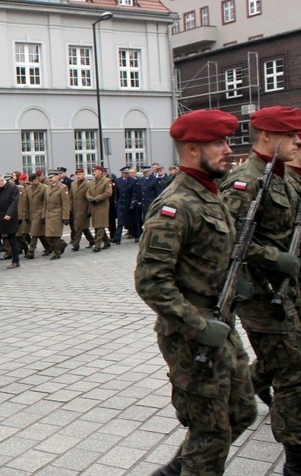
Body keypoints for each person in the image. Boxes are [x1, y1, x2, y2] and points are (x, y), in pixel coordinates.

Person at [136, 109, 257, 476]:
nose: (228, 149)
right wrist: (198, 324)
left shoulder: (210, 194)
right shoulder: (176, 205)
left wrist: (239, 285)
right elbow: (151, 280)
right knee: (211, 436)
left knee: (242, 411)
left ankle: (177, 470)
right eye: (218, 143)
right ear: (191, 149)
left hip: (221, 324)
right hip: (191, 337)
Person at [219, 105, 301, 474]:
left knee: (281, 362)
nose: (298, 140)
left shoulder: (284, 177)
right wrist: (276, 258)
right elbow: (226, 239)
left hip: (288, 289)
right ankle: (296, 460)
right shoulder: (245, 180)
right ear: (267, 136)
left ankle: (243, 392)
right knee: (294, 371)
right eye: (291, 134)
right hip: (262, 294)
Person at [43, 170, 70, 260]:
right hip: (48, 214)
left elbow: (66, 203)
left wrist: (66, 217)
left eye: (52, 177)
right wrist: (43, 215)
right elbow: (45, 203)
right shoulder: (48, 188)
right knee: (48, 236)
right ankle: (61, 245)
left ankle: (57, 253)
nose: (50, 179)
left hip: (57, 214)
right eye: (49, 177)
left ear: (57, 177)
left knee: (55, 235)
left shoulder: (62, 188)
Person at [86, 165, 112, 252]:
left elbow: (108, 193)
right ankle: (107, 241)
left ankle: (97, 245)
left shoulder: (107, 181)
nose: (94, 173)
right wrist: (89, 198)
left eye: (96, 171)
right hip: (94, 206)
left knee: (100, 226)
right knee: (97, 226)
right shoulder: (91, 182)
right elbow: (88, 192)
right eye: (93, 171)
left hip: (102, 206)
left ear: (101, 172)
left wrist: (96, 199)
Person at [24, 173, 49, 259]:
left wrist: (44, 214)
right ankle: (53, 246)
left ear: (37, 179)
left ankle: (31, 252)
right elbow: (26, 203)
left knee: (34, 233)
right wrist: (26, 215)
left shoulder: (44, 188)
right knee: (41, 234)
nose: (31, 183)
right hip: (32, 214)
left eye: (32, 181)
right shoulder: (29, 189)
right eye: (30, 181)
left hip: (40, 213)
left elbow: (46, 202)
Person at [70, 168, 95, 251]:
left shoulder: (88, 184)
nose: (78, 176)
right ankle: (92, 241)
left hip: (84, 210)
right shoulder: (73, 184)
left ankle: (75, 244)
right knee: (84, 228)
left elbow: (89, 198)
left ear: (84, 174)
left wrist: (89, 210)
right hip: (75, 210)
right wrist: (70, 208)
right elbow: (71, 197)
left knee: (79, 227)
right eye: (77, 174)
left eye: (80, 174)